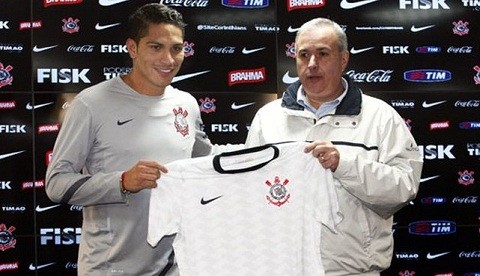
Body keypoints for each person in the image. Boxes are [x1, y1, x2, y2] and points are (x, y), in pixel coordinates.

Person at [45, 3, 238, 275]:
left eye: (176, 48)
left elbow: (207, 161)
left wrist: (284, 149)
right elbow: (56, 184)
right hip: (109, 269)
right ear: (133, 48)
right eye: (155, 47)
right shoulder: (91, 103)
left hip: (176, 266)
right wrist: (122, 181)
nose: (168, 60)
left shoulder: (187, 103)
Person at [244, 18, 423, 275]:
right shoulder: (268, 117)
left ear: (343, 59)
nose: (312, 64)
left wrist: (344, 164)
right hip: (285, 267)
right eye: (304, 55)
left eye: (323, 54)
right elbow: (251, 189)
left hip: (353, 269)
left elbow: (403, 188)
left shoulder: (380, 116)